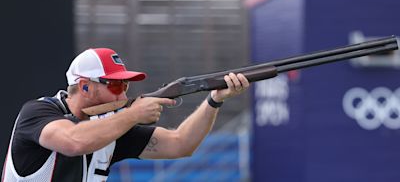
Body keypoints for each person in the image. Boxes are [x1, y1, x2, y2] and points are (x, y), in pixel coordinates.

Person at [2, 47, 249, 182]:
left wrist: (214, 100)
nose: (122, 96)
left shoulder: (109, 129)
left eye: (125, 87)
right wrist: (132, 115)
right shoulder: (37, 112)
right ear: (85, 87)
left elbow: (180, 144)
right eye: (116, 86)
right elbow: (74, 141)